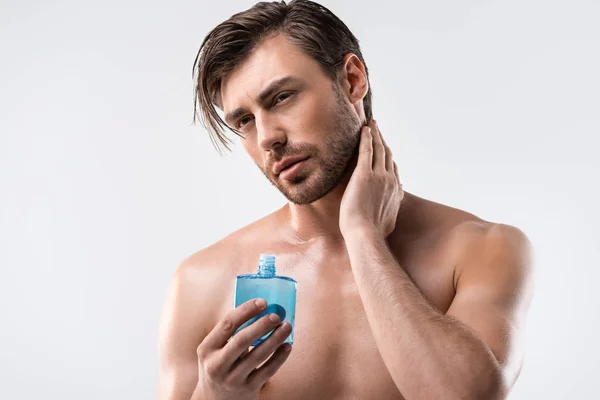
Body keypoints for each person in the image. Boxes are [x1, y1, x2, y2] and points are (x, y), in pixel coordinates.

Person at [156, 1, 534, 399]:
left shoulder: (481, 250)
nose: (267, 137)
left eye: (282, 97)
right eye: (245, 121)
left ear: (352, 79)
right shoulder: (201, 282)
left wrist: (362, 235)